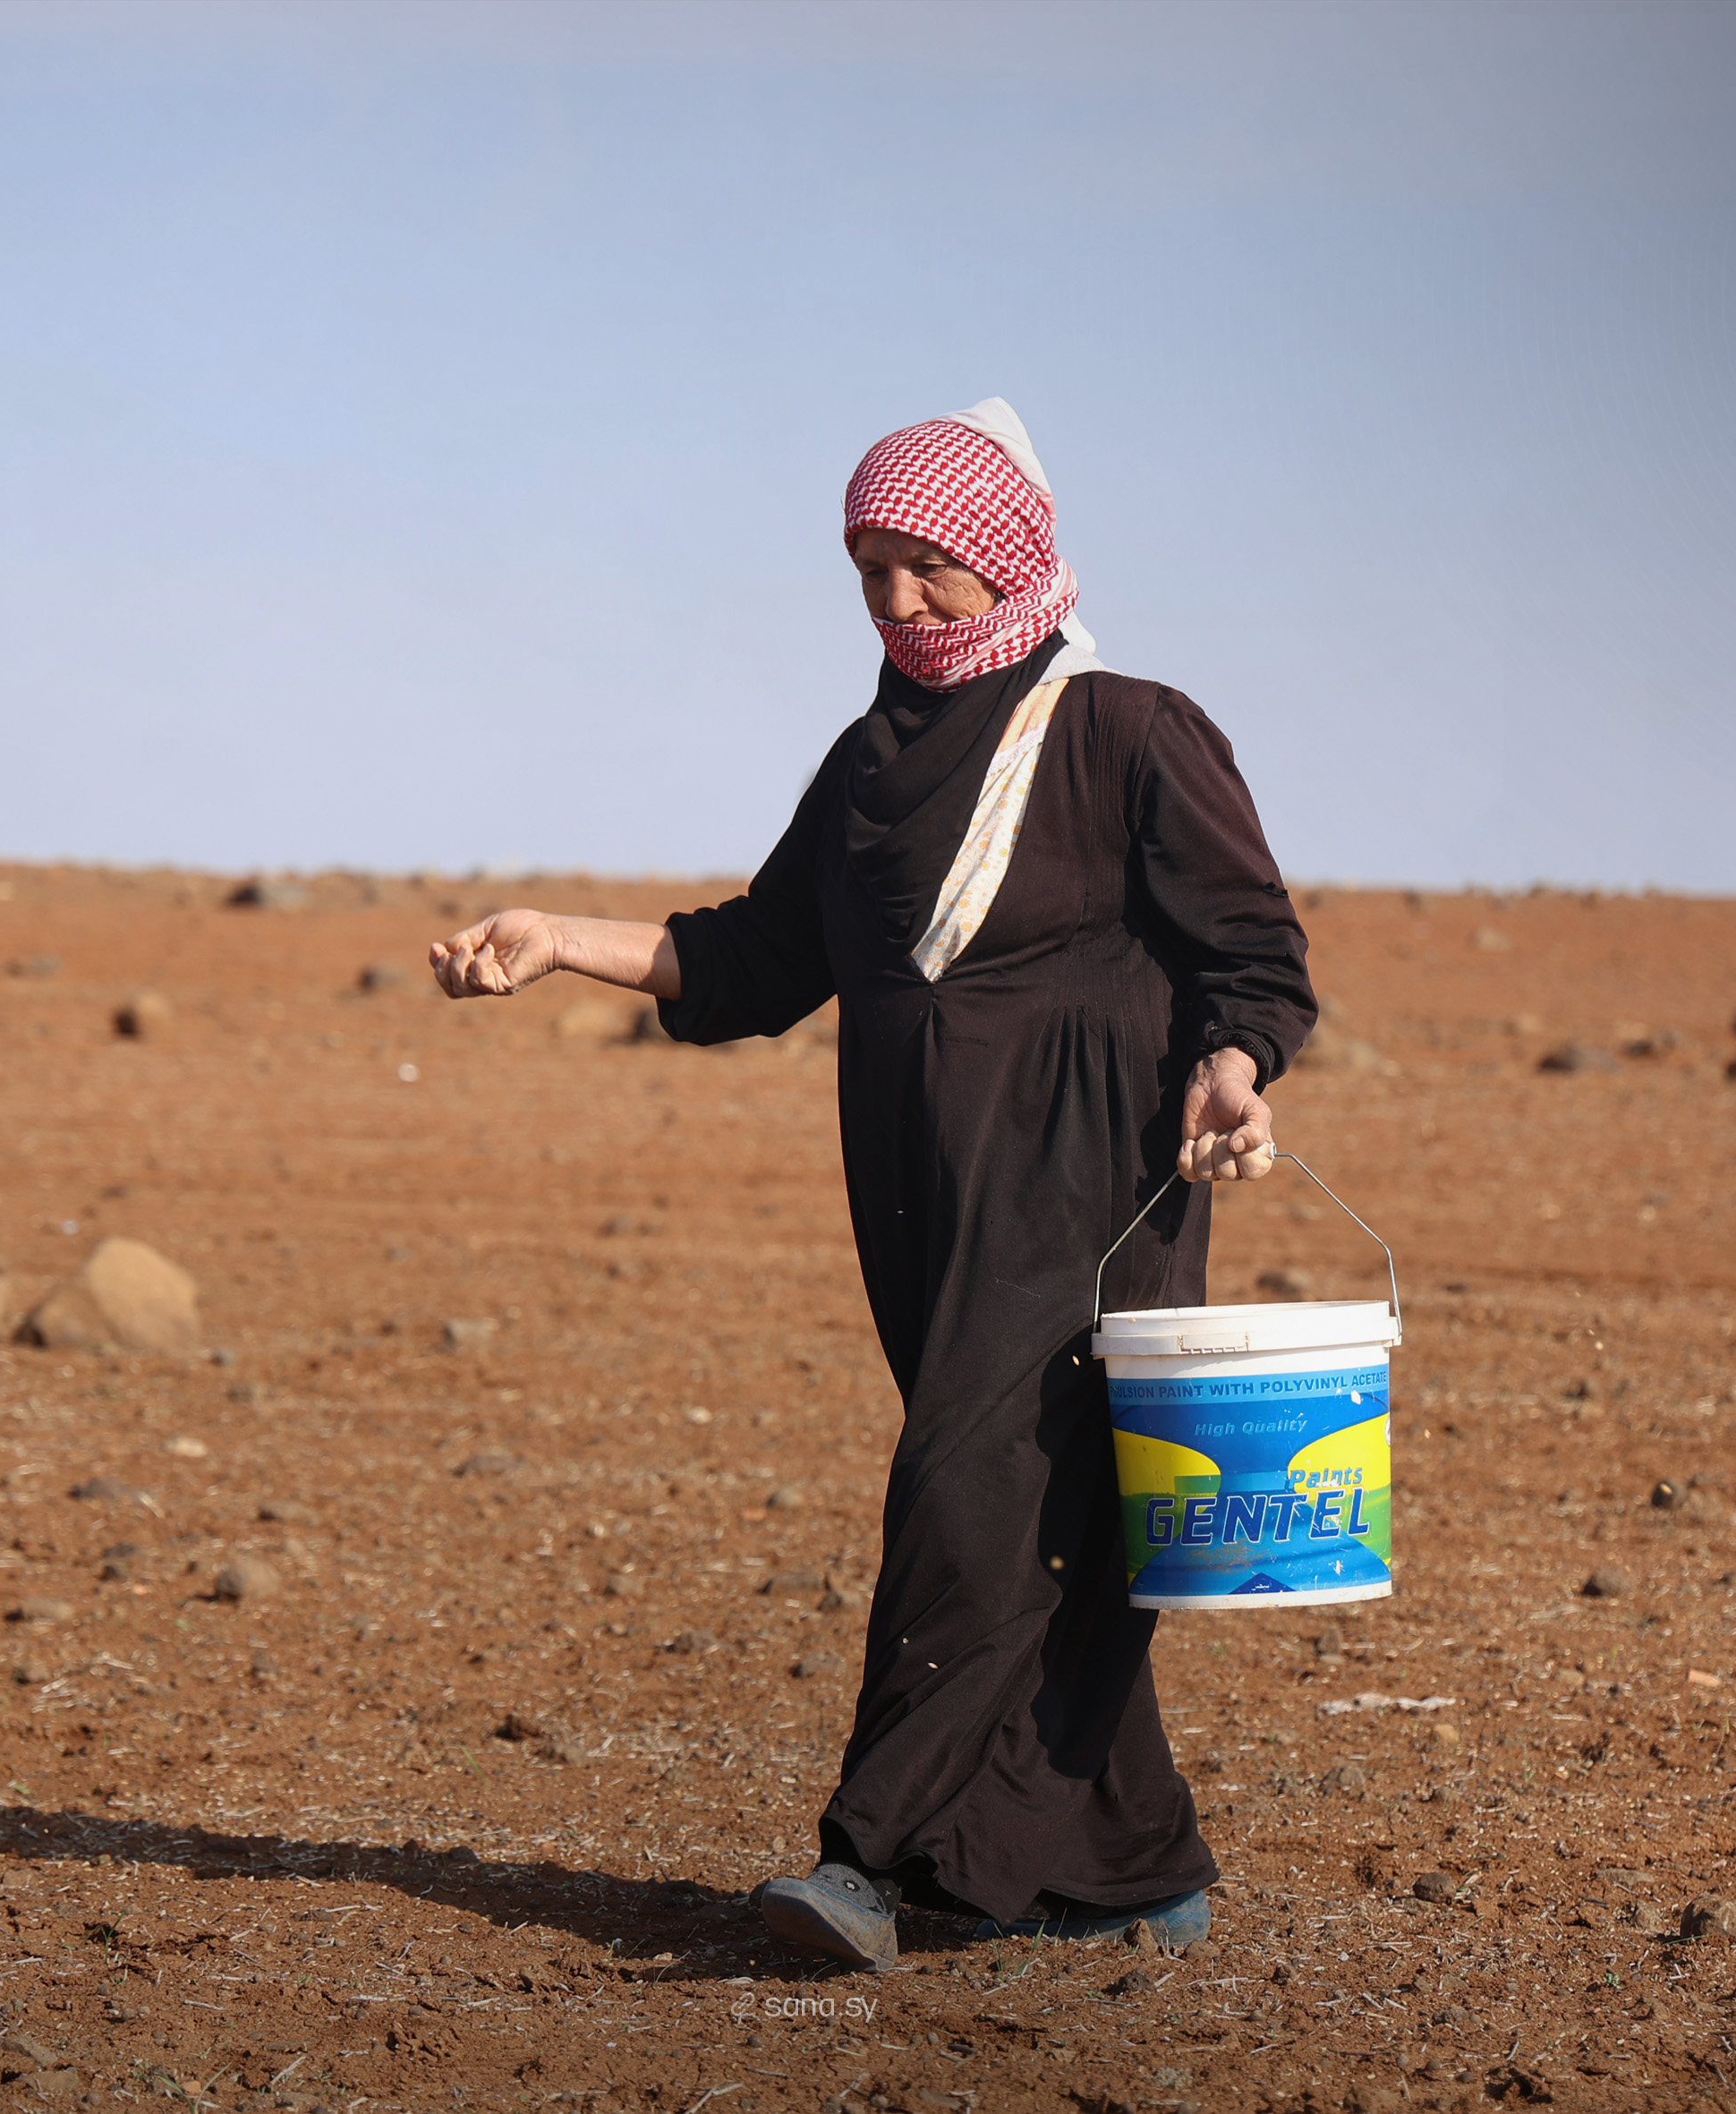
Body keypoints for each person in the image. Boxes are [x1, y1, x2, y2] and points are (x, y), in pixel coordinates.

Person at [430, 398, 1315, 1971]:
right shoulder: (867, 764)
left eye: (925, 566)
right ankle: (1129, 1862)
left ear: (1007, 552)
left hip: (1091, 1187)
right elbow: (757, 956)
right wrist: (558, 938)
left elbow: (1253, 953)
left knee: (972, 1491)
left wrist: (1235, 1070)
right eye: (867, 572)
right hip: (924, 1202)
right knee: (1046, 1512)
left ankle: (871, 1862)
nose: (896, 602)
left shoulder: (1130, 732)